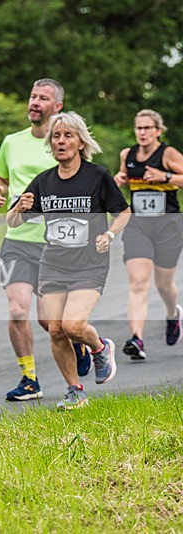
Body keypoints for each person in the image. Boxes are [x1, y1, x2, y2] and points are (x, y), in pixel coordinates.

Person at [7, 112, 131, 410]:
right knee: (56, 328)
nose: (61, 141)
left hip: (89, 264)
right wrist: (19, 209)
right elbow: (13, 222)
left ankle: (100, 347)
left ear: (80, 142)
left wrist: (110, 236)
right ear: (51, 143)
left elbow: (123, 212)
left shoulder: (97, 176)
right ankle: (75, 390)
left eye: (68, 136)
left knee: (74, 325)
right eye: (57, 137)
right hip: (53, 265)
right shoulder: (44, 181)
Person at [0, 78, 91, 402]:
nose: (34, 102)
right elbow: (1, 175)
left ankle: (77, 342)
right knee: (17, 310)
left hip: (54, 243)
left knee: (51, 322)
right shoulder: (11, 141)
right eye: (33, 96)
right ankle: (29, 379)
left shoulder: (63, 143)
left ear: (57, 107)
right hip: (18, 238)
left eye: (43, 98)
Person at [113, 109, 183, 359]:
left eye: (147, 128)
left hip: (168, 225)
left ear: (158, 131)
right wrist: (119, 179)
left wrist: (165, 176)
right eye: (138, 128)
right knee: (139, 283)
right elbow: (124, 177)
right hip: (138, 225)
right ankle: (137, 339)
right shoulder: (127, 154)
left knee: (163, 284)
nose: (142, 132)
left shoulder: (168, 154)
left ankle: (173, 314)